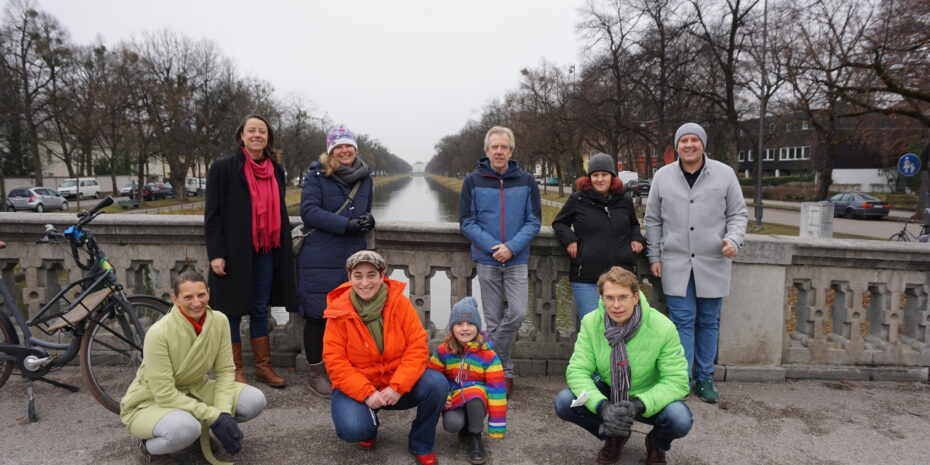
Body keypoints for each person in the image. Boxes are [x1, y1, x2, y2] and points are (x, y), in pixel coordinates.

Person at [644, 122, 747, 403]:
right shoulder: (663, 177)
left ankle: (704, 378)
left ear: (703, 144)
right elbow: (652, 220)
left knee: (708, 321)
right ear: (676, 146)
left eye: (694, 140)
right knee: (681, 320)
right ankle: (681, 379)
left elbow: (738, 214)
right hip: (675, 261)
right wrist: (654, 256)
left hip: (713, 260)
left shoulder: (724, 174)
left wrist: (734, 240)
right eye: (684, 140)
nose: (689, 145)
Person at [121, 271, 267, 465]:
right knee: (184, 429)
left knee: (255, 400)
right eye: (188, 297)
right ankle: (150, 449)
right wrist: (213, 417)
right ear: (175, 299)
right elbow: (164, 394)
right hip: (151, 399)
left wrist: (223, 412)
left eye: (201, 295)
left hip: (196, 388)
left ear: (208, 292)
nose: (197, 303)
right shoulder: (158, 333)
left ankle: (197, 434)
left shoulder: (219, 320)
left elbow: (224, 371)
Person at [553, 267, 691, 465]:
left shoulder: (663, 326)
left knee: (679, 419)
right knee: (564, 401)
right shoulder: (591, 322)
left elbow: (677, 380)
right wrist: (602, 407)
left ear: (635, 298)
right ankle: (614, 434)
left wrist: (639, 404)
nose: (616, 305)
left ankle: (656, 443)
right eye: (609, 298)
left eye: (623, 297)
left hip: (647, 394)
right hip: (611, 391)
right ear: (602, 298)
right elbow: (578, 371)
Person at [322, 250, 447, 465]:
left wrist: (398, 386)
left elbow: (417, 348)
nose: (365, 282)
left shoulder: (400, 304)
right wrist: (366, 394)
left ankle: (420, 443)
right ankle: (369, 426)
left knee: (437, 384)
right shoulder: (337, 312)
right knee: (353, 430)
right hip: (359, 386)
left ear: (382, 276)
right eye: (358, 275)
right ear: (349, 277)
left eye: (371, 274)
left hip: (395, 384)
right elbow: (335, 362)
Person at [205, 114, 297, 388]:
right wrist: (216, 253)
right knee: (231, 311)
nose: (257, 135)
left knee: (260, 309)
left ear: (268, 138)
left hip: (266, 251)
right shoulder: (223, 168)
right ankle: (234, 371)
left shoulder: (275, 170)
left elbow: (279, 211)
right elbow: (213, 214)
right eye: (252, 131)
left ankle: (262, 368)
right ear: (241, 135)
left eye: (262, 131)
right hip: (234, 253)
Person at [459, 126, 541, 398]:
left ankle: (486, 363)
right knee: (492, 320)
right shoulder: (473, 181)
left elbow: (534, 221)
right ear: (486, 151)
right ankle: (503, 371)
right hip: (487, 258)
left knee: (517, 312)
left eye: (504, 147)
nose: (499, 151)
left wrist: (512, 247)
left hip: (516, 258)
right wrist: (494, 247)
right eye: (494, 147)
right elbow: (467, 221)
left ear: (511, 151)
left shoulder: (526, 180)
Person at [297, 124, 375, 398]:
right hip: (320, 254)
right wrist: (347, 225)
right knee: (318, 315)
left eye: (348, 145)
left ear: (355, 148)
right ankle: (316, 374)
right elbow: (308, 211)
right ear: (331, 150)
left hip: (352, 254)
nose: (344, 150)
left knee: (351, 314)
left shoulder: (365, 176)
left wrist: (367, 220)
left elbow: (364, 210)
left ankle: (344, 368)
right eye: (338, 146)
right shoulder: (317, 175)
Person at [552, 153, 645, 321]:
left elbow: (634, 223)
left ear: (612, 177)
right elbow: (559, 223)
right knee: (592, 326)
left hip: (622, 276)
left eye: (604, 175)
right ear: (589, 178)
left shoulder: (624, 199)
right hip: (587, 276)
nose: (600, 179)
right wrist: (570, 240)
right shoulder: (577, 199)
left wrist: (636, 237)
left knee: (623, 326)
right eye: (595, 175)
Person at [428, 297, 507, 465]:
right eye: (459, 324)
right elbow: (433, 379)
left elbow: (497, 390)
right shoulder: (443, 351)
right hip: (454, 398)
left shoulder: (489, 355)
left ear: (477, 328)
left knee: (476, 393)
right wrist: (444, 399)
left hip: (478, 400)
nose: (465, 329)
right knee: (452, 424)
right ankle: (465, 426)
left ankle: (476, 437)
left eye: (470, 324)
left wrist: (497, 425)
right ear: (452, 328)